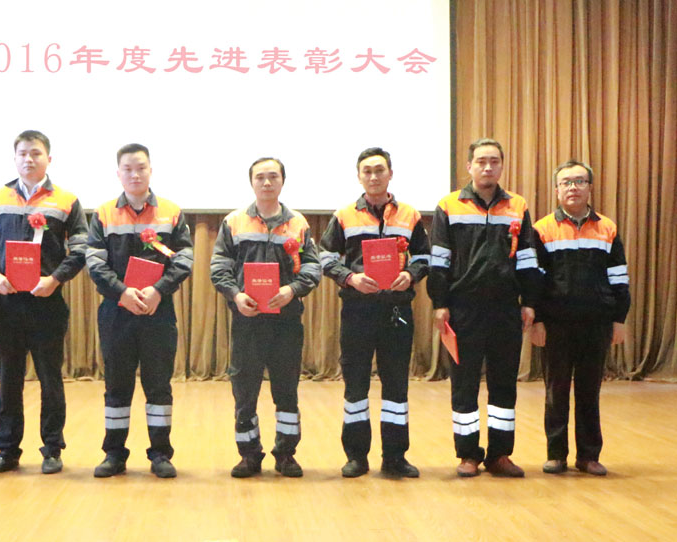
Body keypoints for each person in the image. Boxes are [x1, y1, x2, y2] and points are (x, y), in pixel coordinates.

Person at [0, 130, 87, 475]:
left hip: (47, 303)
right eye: (22, 153)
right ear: (15, 158)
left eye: (36, 153)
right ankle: (7, 450)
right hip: (7, 303)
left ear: (48, 159)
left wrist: (56, 279)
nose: (29, 159)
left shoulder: (66, 200)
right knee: (9, 378)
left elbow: (80, 249)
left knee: (50, 378)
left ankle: (52, 449)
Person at [427, 138, 542, 477]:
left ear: (502, 166)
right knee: (464, 384)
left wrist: (529, 302)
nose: (487, 167)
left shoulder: (517, 206)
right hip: (463, 309)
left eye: (494, 161)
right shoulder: (449, 205)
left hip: (506, 309)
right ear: (469, 166)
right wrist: (439, 303)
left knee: (504, 383)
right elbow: (439, 260)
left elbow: (527, 258)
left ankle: (500, 455)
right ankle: (468, 455)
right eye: (481, 161)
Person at [319, 147, 430, 478]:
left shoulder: (410, 215)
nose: (373, 176)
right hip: (358, 310)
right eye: (367, 171)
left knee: (396, 386)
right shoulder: (344, 216)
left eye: (379, 170)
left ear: (390, 174)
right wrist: (350, 278)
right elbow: (325, 257)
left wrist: (410, 275)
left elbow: (425, 257)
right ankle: (356, 456)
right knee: (355, 385)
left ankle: (395, 457)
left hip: (397, 311)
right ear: (359, 177)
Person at [86, 143, 194, 478]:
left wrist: (159, 289)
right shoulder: (103, 214)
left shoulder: (171, 212)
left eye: (141, 168)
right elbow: (94, 262)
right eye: (128, 169)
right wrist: (122, 291)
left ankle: (160, 453)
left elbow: (185, 259)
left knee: (158, 385)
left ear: (150, 171)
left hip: (157, 311)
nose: (135, 175)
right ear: (118, 173)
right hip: (116, 312)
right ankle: (114, 454)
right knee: (116, 385)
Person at [210, 157, 321, 478]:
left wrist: (292, 290)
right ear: (252, 182)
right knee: (244, 391)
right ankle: (249, 454)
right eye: (260, 177)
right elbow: (219, 266)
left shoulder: (298, 223)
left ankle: (286, 454)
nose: (267, 182)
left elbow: (313, 266)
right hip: (247, 321)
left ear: (283, 181)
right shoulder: (234, 222)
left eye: (273, 176)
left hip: (286, 321)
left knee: (286, 390)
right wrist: (236, 295)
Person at [531, 160, 630, 477]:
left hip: (596, 323)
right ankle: (556, 455)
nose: (573, 187)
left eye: (579, 181)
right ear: (556, 190)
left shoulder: (607, 228)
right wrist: (537, 320)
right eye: (566, 182)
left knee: (589, 392)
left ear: (590, 187)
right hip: (555, 323)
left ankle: (588, 456)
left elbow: (619, 278)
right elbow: (535, 281)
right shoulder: (542, 229)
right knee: (556, 391)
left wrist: (619, 318)